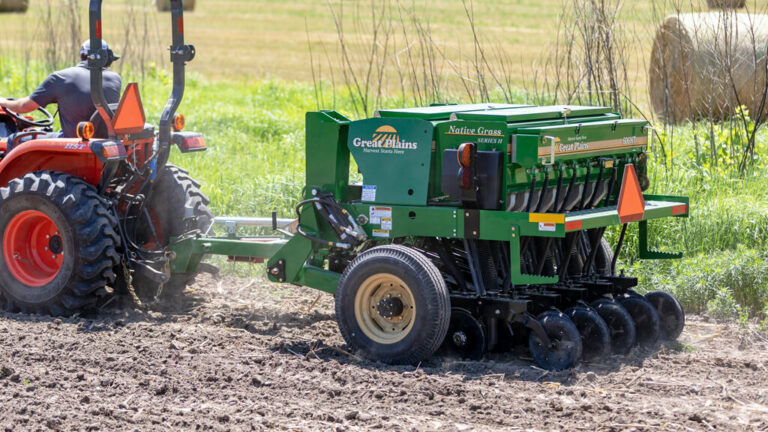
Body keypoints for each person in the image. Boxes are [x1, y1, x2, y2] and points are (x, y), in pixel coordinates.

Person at [0, 40, 122, 140]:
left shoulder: (60, 78)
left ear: (82, 55)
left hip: (72, 142)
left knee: (14, 140)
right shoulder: (116, 79)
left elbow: (24, 107)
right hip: (103, 141)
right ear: (106, 59)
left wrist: (4, 102)